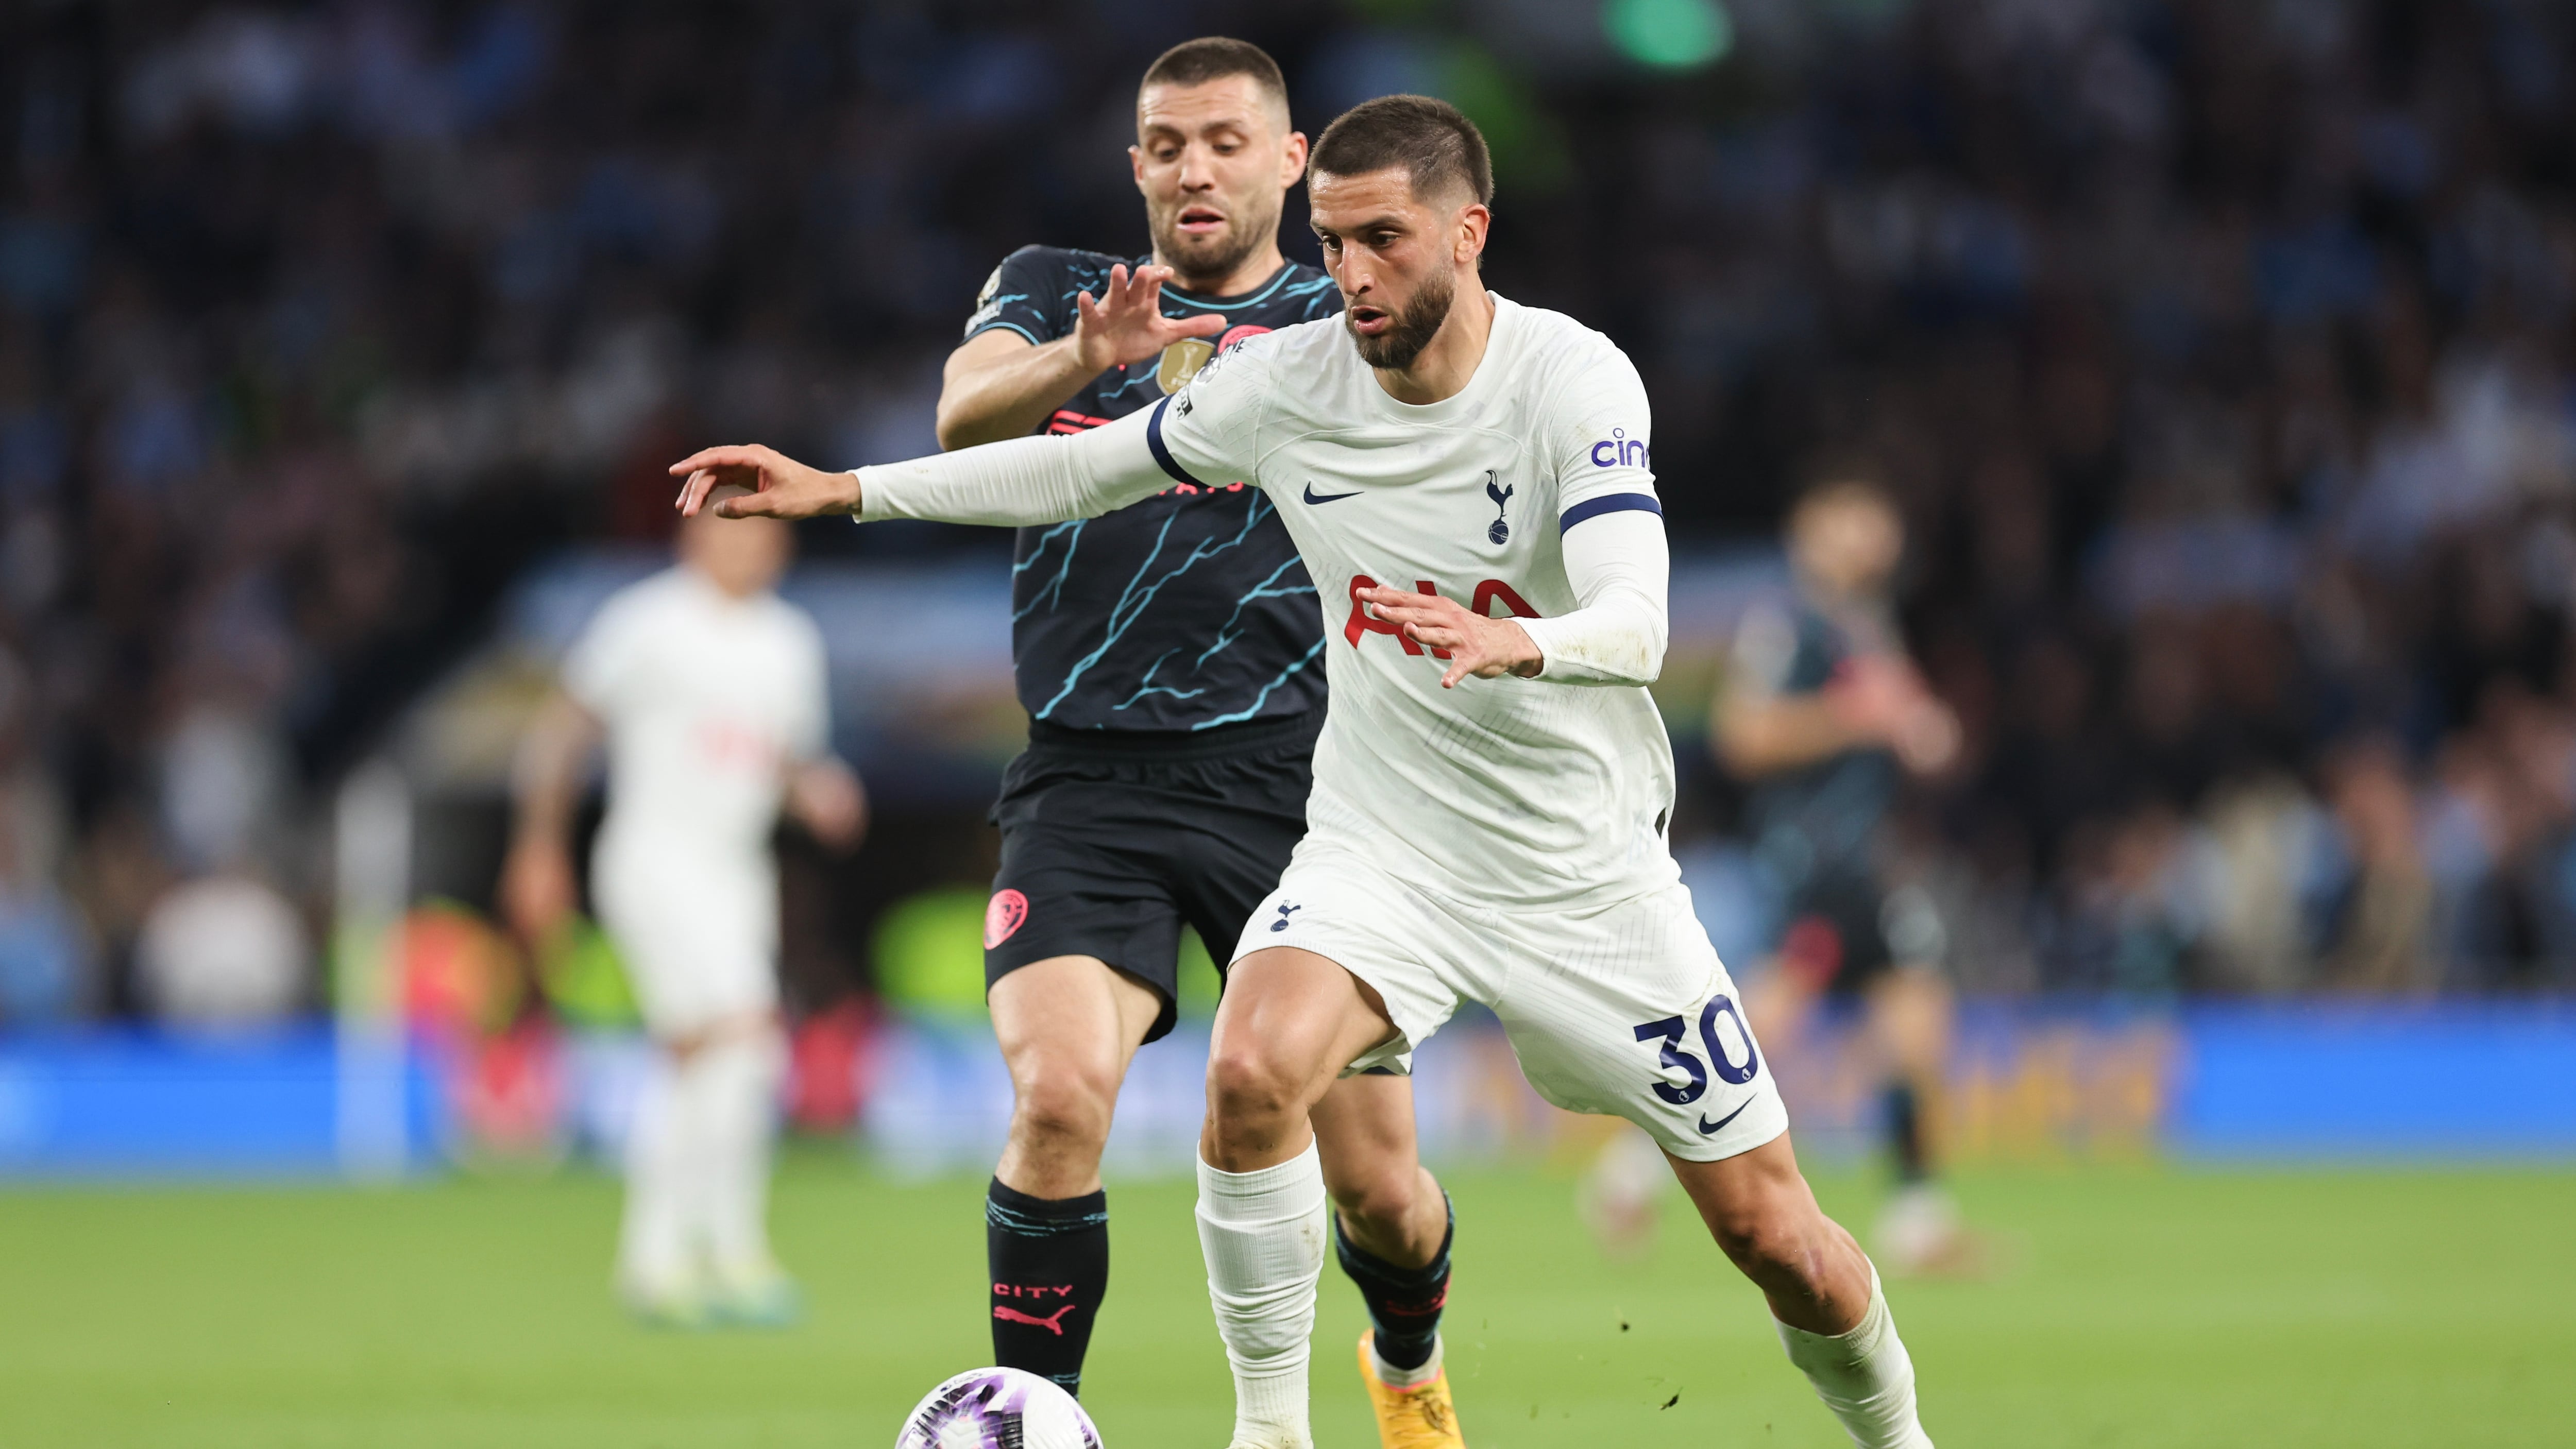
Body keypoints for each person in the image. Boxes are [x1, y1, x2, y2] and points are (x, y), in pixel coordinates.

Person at [670, 93, 1936, 1449]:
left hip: (1587, 880)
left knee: (1776, 1233)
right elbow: (1077, 475)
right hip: (1381, 851)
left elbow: (1643, 623)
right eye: (1330, 241)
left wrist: (1522, 643)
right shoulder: (1287, 383)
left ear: (1469, 229)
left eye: (1383, 239)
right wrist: (843, 491)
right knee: (1252, 1068)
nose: (1350, 273)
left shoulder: (1575, 378)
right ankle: (1272, 1429)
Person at [922, 36, 1465, 1440]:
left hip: (1300, 781)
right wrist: (1082, 360)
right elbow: (956, 424)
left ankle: (1406, 1370)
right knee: (1054, 1098)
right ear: (1137, 165)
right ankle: (1035, 1415)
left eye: (1226, 140)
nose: (1194, 166)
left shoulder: (1345, 312)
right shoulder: (1057, 286)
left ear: (1290, 161)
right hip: (1084, 775)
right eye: (1167, 143)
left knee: (1385, 1195)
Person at [501, 508, 865, 1326]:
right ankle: (686, 1255)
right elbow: (561, 732)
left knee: (738, 1054)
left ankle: (702, 1253)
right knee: (735, 1029)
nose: (753, 545)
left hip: (737, 871)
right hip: (655, 860)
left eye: (767, 530)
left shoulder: (787, 639)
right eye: (736, 527)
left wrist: (818, 789)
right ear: (695, 537)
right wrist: (538, 849)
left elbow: (782, 754)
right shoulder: (646, 622)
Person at [1711, 477, 1971, 1274]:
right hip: (1815, 850)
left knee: (1913, 1004)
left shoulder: (1865, 625)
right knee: (1776, 1018)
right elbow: (1742, 734)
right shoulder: (1789, 624)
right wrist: (1851, 720)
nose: (1874, 533)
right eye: (1852, 518)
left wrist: (1919, 731)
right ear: (1811, 532)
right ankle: (1644, 1159)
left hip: (1866, 852)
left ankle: (1919, 1210)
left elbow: (1900, 718)